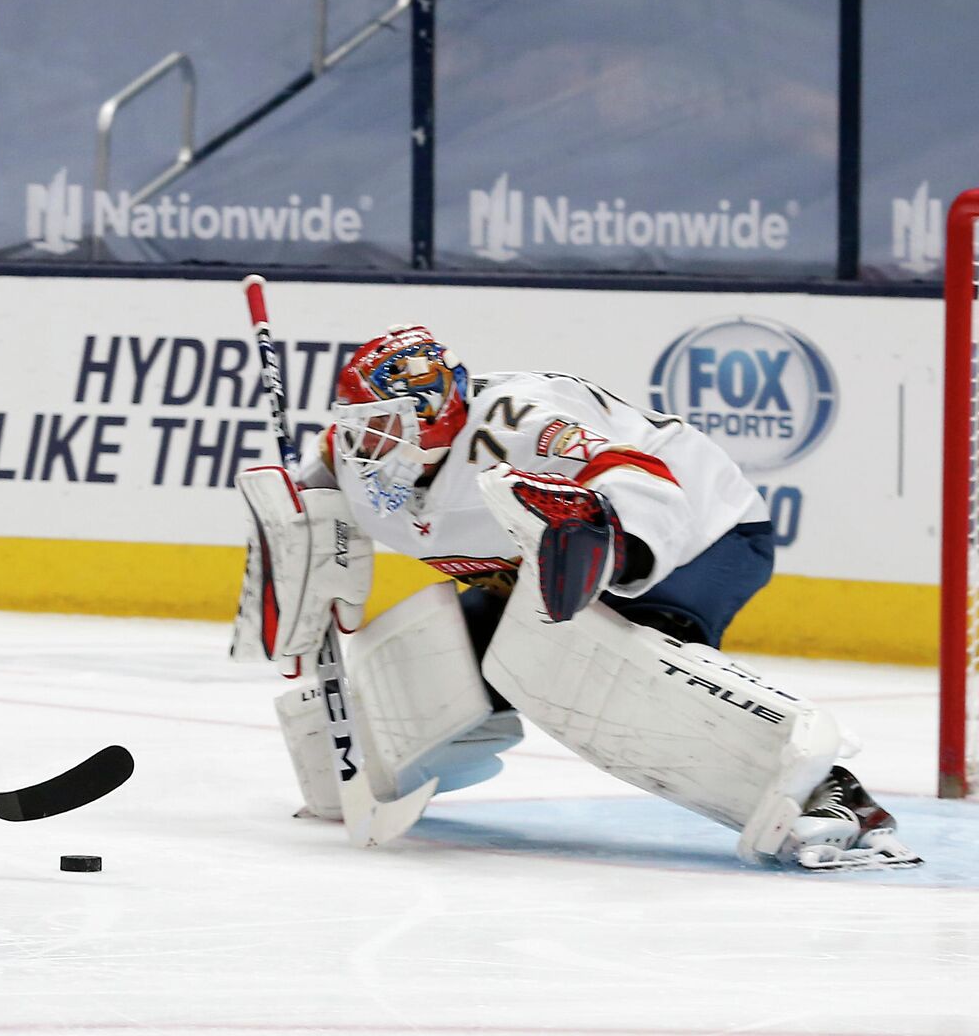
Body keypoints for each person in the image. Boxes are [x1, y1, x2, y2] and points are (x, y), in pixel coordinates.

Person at [234, 324, 920, 872]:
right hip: (542, 573)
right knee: (438, 656)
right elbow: (304, 526)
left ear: (439, 418)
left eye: (386, 424)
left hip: (699, 537)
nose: (367, 440)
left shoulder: (520, 422)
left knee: (604, 672)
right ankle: (353, 771)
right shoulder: (353, 454)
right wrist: (303, 549)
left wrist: (600, 541)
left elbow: (643, 477)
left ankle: (829, 792)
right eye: (361, 422)